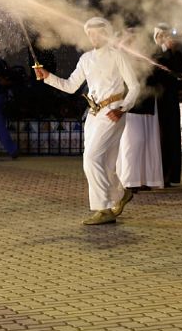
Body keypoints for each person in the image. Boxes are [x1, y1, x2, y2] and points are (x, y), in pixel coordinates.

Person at [36, 17, 141, 225]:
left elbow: (135, 86)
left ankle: (103, 209)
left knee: (91, 159)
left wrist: (122, 108)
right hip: (93, 115)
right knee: (106, 162)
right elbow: (70, 86)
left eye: (98, 32)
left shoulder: (117, 55)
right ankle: (121, 193)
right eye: (90, 33)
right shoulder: (85, 59)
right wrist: (47, 76)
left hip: (113, 112)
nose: (93, 36)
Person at [115, 28, 164, 193]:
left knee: (148, 144)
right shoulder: (120, 57)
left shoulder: (147, 57)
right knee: (133, 142)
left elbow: (157, 78)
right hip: (131, 107)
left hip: (148, 104)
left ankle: (145, 179)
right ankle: (129, 180)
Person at [154, 24, 182, 186]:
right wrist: (166, 49)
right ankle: (159, 174)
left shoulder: (177, 53)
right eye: (163, 36)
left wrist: (171, 51)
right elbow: (157, 68)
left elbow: (179, 69)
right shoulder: (155, 52)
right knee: (161, 138)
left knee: (172, 137)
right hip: (158, 100)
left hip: (171, 100)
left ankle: (171, 175)